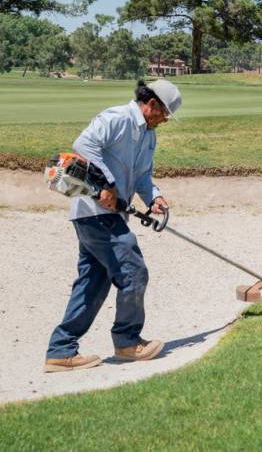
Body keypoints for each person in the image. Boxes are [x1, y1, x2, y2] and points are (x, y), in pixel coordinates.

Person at [44, 79, 182, 372]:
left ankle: (60, 350)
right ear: (152, 104)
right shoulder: (117, 118)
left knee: (92, 283)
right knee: (133, 271)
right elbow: (83, 144)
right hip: (94, 211)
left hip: (108, 215)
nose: (165, 119)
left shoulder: (149, 135)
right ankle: (127, 342)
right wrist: (106, 182)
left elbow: (142, 175)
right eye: (164, 113)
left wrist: (153, 197)